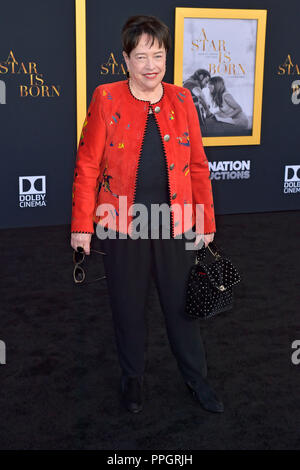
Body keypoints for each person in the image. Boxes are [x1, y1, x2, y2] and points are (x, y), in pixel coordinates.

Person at [70, 15, 224, 414]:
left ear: (167, 57)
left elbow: (197, 165)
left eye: (158, 55)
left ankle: (196, 379)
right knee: (127, 305)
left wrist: (205, 223)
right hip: (122, 224)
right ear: (126, 59)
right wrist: (82, 226)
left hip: (175, 223)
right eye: (141, 56)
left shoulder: (182, 99)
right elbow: (87, 164)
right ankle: (132, 378)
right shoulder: (106, 98)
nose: (151, 64)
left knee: (182, 306)